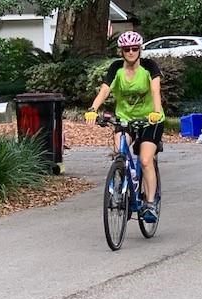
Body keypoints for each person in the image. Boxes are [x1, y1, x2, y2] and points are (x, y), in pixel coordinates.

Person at [85, 31, 164, 223]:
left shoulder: (149, 67)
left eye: (134, 48)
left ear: (140, 50)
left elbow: (155, 90)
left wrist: (156, 111)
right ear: (121, 51)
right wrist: (93, 109)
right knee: (120, 152)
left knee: (145, 160)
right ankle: (120, 191)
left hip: (150, 119)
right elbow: (105, 89)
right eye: (126, 49)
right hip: (125, 119)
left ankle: (150, 203)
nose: (130, 52)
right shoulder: (116, 68)